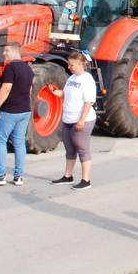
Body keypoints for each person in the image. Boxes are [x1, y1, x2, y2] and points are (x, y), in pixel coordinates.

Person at [0, 42, 33, 186]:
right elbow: (29, 90)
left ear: (14, 52)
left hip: (9, 110)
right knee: (19, 142)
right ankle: (18, 176)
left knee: (0, 140)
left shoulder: (10, 68)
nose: (4, 54)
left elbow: (6, 88)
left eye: (6, 51)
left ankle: (0, 175)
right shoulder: (28, 69)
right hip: (24, 110)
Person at [48, 51, 97, 190]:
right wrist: (54, 92)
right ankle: (68, 176)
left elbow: (89, 102)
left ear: (80, 64)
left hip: (81, 119)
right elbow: (65, 94)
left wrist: (81, 120)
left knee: (82, 148)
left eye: (71, 65)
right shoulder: (72, 78)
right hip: (68, 118)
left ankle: (86, 179)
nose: (69, 67)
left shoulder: (87, 80)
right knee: (69, 148)